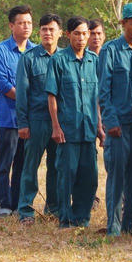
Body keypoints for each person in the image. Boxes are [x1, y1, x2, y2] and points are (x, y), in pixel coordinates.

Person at [97, 3, 132, 236]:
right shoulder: (110, 51)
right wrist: (110, 121)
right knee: (117, 175)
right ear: (123, 24)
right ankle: (114, 225)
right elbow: (103, 91)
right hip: (119, 124)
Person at [47, 17, 102, 228]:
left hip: (88, 129)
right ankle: (65, 218)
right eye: (77, 33)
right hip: (67, 129)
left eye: (85, 33)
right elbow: (52, 96)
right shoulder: (58, 60)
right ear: (68, 34)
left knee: (89, 176)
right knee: (66, 176)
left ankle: (82, 217)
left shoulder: (94, 61)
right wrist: (55, 126)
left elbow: (96, 97)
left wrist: (99, 127)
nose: (81, 38)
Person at [15, 13, 61, 224]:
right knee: (30, 166)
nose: (47, 33)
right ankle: (26, 210)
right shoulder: (29, 58)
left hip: (59, 123)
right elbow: (22, 94)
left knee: (56, 166)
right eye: (44, 29)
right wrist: (23, 123)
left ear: (60, 33)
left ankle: (53, 208)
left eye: (52, 29)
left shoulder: (64, 58)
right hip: (36, 121)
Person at [0, 5, 34, 217]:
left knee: (23, 167)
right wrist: (27, 99)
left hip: (29, 121)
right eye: (21, 23)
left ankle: (17, 204)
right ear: (11, 25)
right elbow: (3, 84)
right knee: (4, 165)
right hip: (8, 120)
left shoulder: (35, 51)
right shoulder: (1, 51)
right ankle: (1, 205)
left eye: (29, 23)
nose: (26, 27)